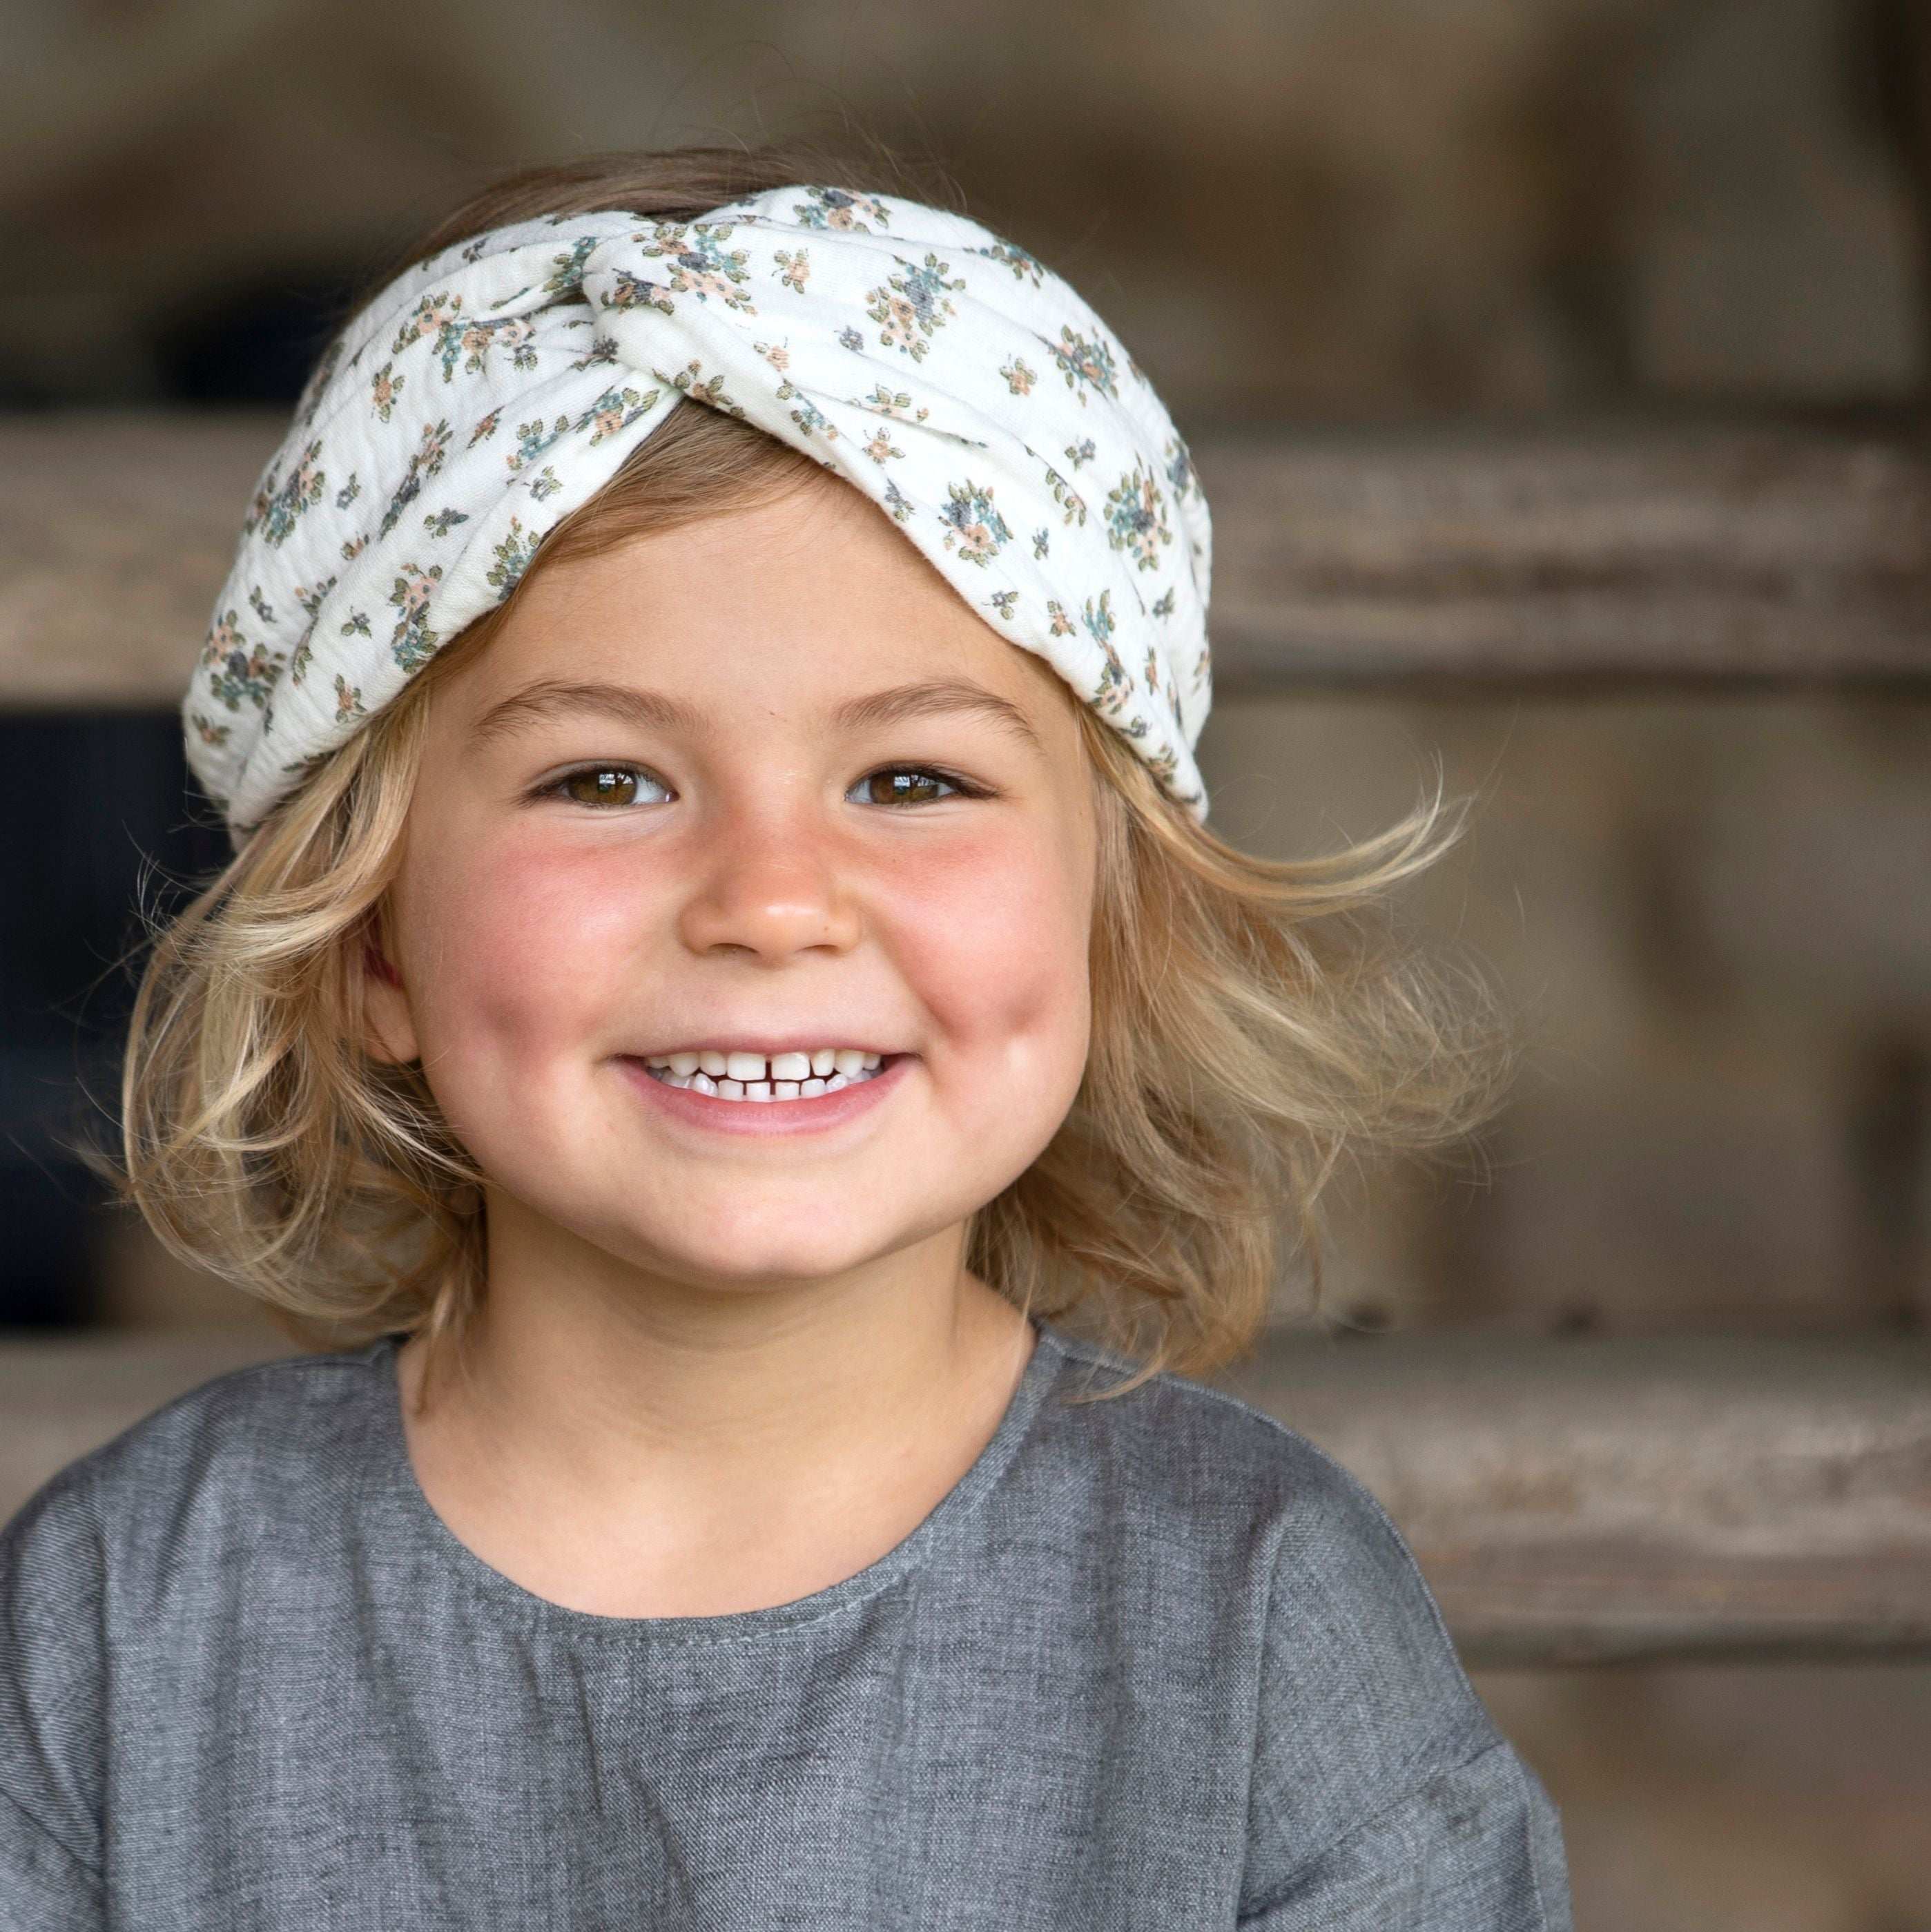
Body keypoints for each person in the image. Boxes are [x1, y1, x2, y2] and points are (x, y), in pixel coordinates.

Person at [0, 137, 1573, 1928]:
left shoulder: (1262, 1620)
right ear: (370, 944)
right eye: (607, 780)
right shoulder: (132, 1611)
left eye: (911, 780)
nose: (770, 900)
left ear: (1111, 924)